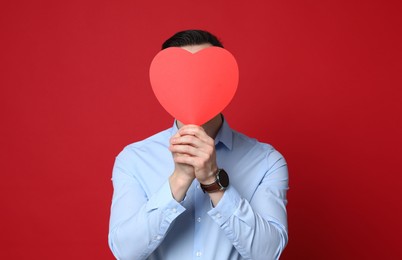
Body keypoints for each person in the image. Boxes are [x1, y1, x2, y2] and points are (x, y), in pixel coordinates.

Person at [108, 30, 289, 260]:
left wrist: (214, 181)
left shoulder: (266, 161)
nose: (193, 86)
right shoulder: (133, 159)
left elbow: (269, 253)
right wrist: (179, 180)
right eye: (181, 77)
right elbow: (125, 252)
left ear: (224, 81)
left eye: (205, 75)